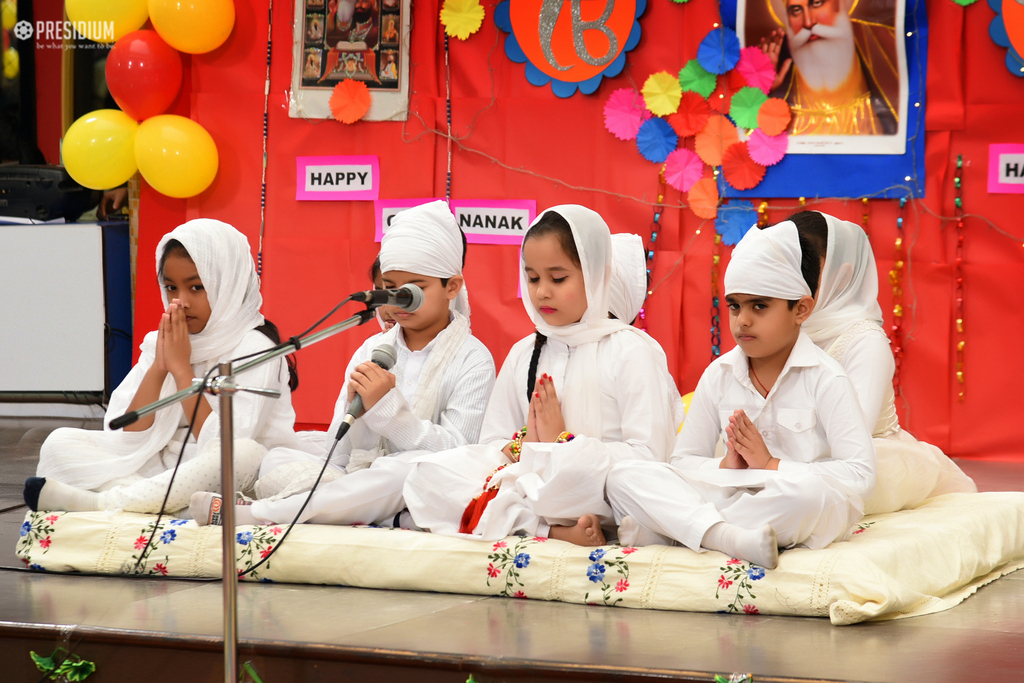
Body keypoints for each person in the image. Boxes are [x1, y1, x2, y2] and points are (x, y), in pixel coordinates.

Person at [190, 200, 495, 527]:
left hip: (421, 483)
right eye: (390, 290)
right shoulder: (372, 350)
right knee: (277, 458)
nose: (398, 301)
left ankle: (257, 514)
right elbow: (338, 458)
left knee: (408, 468)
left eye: (413, 290)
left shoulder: (474, 359)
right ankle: (361, 511)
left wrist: (388, 411)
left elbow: (456, 455)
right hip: (361, 478)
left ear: (452, 286)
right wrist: (358, 413)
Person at [402, 207, 683, 547]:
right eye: (533, 279)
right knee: (428, 474)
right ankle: (554, 529)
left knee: (622, 481)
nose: (542, 292)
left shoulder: (632, 350)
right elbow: (493, 444)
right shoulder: (524, 352)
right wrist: (526, 446)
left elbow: (649, 457)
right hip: (532, 483)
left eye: (558, 278)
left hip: (598, 486)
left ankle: (550, 520)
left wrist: (563, 445)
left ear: (595, 276)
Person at [606, 219, 875, 569]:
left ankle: (675, 529)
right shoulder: (718, 375)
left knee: (812, 498)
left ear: (801, 309)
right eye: (735, 306)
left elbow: (860, 476)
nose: (742, 321)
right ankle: (728, 537)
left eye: (759, 306)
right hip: (729, 487)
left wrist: (772, 466)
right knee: (626, 475)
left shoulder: (827, 378)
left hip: (788, 498)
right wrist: (724, 464)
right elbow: (683, 462)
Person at [24, 219, 299, 514]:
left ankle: (105, 502)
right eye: (171, 288)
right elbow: (126, 435)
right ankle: (156, 503)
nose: (181, 301)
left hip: (227, 471)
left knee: (240, 454)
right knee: (60, 443)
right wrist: (160, 366)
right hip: (166, 469)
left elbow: (225, 442)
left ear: (227, 284)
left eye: (196, 287)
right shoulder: (165, 339)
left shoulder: (256, 347)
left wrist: (183, 372)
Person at [790, 210, 976, 513]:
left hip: (865, 459)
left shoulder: (865, 340)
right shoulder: (783, 327)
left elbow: (852, 437)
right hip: (793, 454)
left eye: (808, 268)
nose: (795, 279)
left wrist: (775, 458)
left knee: (809, 493)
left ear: (843, 272)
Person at [758, 0, 898, 136]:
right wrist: (764, 90)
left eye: (817, 3)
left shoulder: (885, 43)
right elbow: (748, 144)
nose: (808, 22)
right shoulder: (778, 66)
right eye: (796, 11)